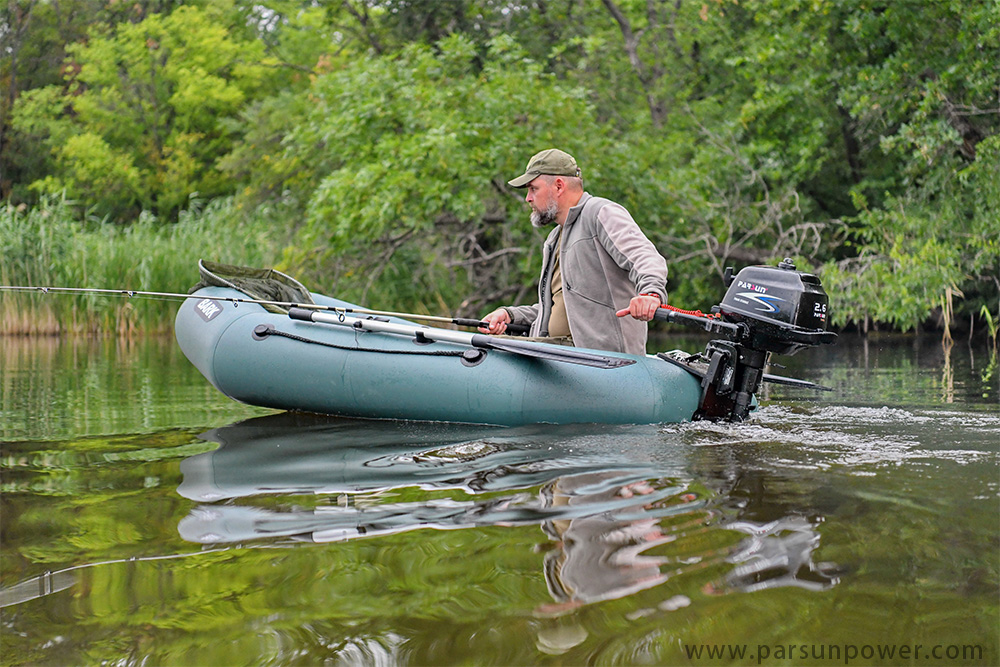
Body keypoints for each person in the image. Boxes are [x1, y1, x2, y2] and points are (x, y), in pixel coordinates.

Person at [479, 148, 667, 356]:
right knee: (487, 345)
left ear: (559, 186)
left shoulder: (600, 212)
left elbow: (646, 257)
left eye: (533, 189)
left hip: (601, 363)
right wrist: (510, 315)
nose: (528, 198)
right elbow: (561, 308)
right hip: (559, 357)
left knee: (491, 352)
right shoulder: (554, 238)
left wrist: (651, 293)